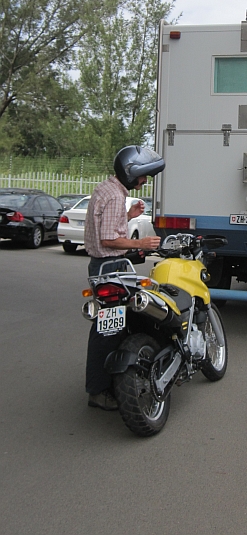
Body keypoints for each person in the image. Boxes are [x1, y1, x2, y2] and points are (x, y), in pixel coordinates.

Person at [84, 145, 165, 410]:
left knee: (111, 328)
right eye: (142, 176)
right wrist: (142, 242)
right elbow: (107, 239)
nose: (144, 181)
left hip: (105, 265)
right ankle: (98, 391)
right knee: (107, 330)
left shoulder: (108, 189)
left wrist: (128, 217)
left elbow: (103, 225)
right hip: (109, 268)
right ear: (131, 173)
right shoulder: (115, 195)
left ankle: (108, 384)